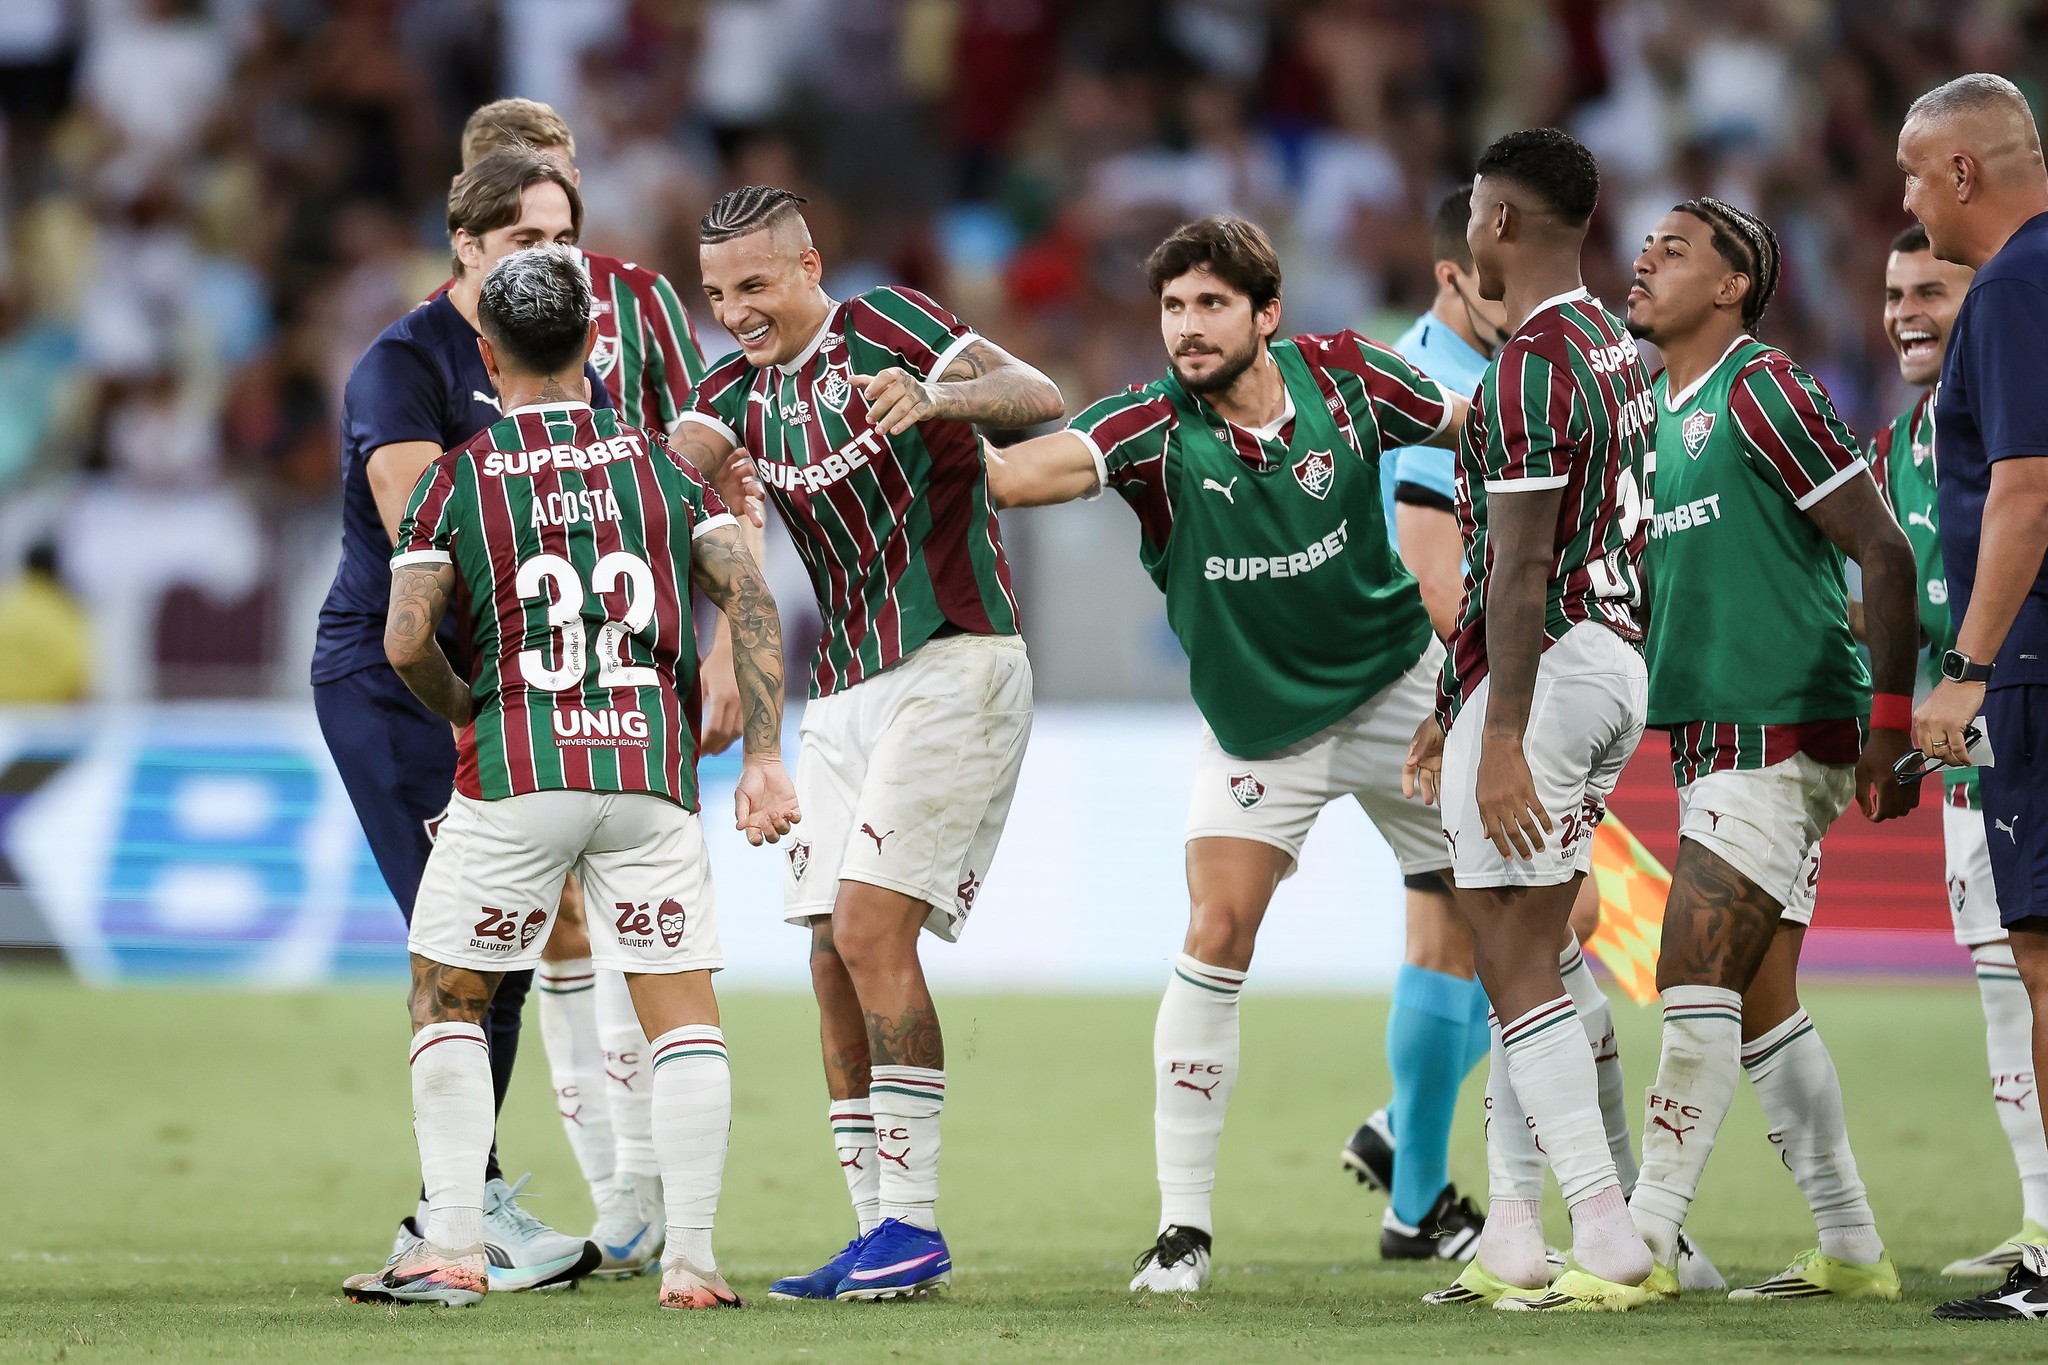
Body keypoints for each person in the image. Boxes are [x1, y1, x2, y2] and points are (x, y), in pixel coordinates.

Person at [986, 214, 1481, 1285]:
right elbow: (1017, 478)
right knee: (1215, 931)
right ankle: (1184, 1232)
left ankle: (1564, 1206)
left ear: (1266, 314)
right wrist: (937, 424)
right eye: (1172, 307)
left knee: (1551, 919)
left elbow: (1479, 433)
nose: (1187, 327)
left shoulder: (1348, 377)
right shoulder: (1149, 429)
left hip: (1402, 692)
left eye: (1211, 303)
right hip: (1263, 731)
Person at [341, 244, 799, 1310]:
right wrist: (764, 754)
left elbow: (404, 639)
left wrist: (468, 707)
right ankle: (692, 1263)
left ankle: (453, 1246)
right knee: (682, 1015)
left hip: (517, 771)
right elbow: (751, 600)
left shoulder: (458, 474)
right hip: (648, 774)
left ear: (488, 356)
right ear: (594, 344)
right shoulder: (662, 467)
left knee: (447, 1000)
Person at [672, 185, 1063, 1301]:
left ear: (809, 267)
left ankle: (915, 1222)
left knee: (865, 927)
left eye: (754, 285)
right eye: (716, 295)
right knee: (824, 953)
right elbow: (670, 463)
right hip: (840, 690)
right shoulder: (733, 394)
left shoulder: (888, 324)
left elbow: (1038, 397)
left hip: (955, 655)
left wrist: (941, 395)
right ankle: (873, 1232)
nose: (736, 312)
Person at [312, 146, 617, 1291]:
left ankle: (469, 1201)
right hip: (398, 681)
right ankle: (453, 1218)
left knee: (508, 942)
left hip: (502, 681)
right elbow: (420, 539)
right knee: (464, 943)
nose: (552, 257)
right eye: (527, 238)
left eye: (564, 239)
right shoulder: (402, 364)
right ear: (467, 246)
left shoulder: (565, 356)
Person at [448, 95, 726, 1281]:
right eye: (524, 205)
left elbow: (709, 456)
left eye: (563, 194)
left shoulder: (642, 302)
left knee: (634, 915)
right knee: (559, 922)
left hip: (627, 647)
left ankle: (644, 1191)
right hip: (511, 653)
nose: (554, 227)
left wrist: (721, 649)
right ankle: (618, 1191)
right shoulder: (443, 329)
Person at [1621, 199, 1918, 1303]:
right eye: (1645, 244)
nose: (1645, 258)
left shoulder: (1762, 388)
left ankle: (1642, 1242)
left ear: (1731, 285)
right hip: (1713, 731)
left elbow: (1883, 552)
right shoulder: (1656, 411)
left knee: (1689, 969)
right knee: (1759, 999)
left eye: (1675, 249)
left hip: (1780, 727)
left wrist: (1889, 723)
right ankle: (1850, 1247)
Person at [1339, 186, 1640, 1271]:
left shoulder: (1535, 360)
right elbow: (1440, 580)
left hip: (1495, 674)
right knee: (1522, 931)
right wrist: (1465, 709)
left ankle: (1420, 1164)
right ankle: (1452, 1189)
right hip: (1463, 673)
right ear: (1452, 276)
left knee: (1503, 935)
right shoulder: (1443, 382)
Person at [1403, 128, 1657, 1312]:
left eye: (1473, 211)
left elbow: (1514, 569)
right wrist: (1451, 710)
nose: (1467, 229)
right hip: (1609, 660)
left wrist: (1495, 733)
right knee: (1540, 953)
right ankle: (1511, 1224)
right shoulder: (1611, 345)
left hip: (1542, 672)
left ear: (1497, 222)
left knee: (1506, 957)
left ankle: (1600, 1221)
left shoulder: (1525, 369)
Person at [1862, 225, 2045, 1279]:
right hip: (1964, 754)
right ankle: (2038, 1217)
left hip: (2023, 717)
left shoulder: (2015, 426)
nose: (1906, 315)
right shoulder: (1898, 445)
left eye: (1930, 291)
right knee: (2000, 980)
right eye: (1894, 295)